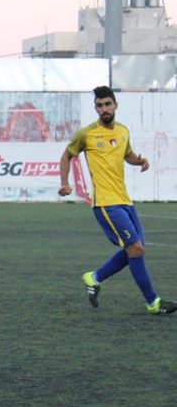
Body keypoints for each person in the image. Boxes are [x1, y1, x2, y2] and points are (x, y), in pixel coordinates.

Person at [59, 85, 177, 315]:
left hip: (125, 201)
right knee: (136, 248)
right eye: (99, 105)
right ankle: (153, 302)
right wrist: (64, 182)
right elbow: (67, 155)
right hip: (105, 203)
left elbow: (127, 154)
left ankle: (94, 277)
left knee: (135, 249)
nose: (104, 109)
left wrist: (139, 161)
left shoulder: (123, 131)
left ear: (115, 105)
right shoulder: (87, 134)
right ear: (96, 108)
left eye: (107, 104)